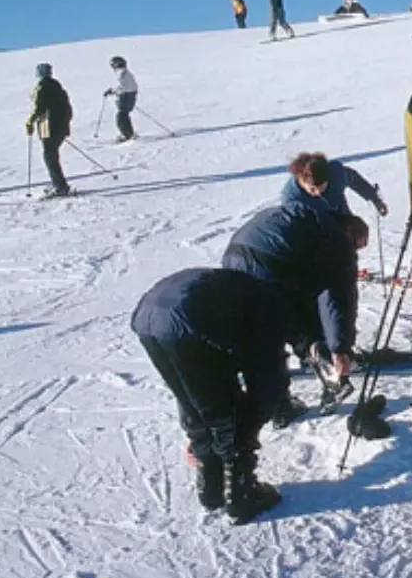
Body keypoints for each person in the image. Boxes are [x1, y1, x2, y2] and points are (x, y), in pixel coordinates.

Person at [131, 268, 288, 522]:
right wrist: (254, 423)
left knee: (192, 398)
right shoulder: (270, 311)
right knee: (226, 409)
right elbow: (267, 379)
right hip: (187, 317)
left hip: (146, 318)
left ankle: (211, 487)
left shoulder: (246, 291)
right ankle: (241, 494)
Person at [221, 203, 367, 420]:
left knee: (262, 334)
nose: (354, 252)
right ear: (349, 233)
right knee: (291, 321)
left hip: (233, 260)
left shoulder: (308, 214)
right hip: (271, 265)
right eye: (356, 246)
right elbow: (339, 297)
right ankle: (327, 370)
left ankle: (279, 404)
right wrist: (341, 346)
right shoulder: (337, 238)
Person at [282, 151, 389, 217]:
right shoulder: (291, 199)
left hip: (342, 220)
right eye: (312, 189)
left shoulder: (337, 174)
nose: (318, 192)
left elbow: (355, 180)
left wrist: (375, 199)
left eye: (322, 187)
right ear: (301, 179)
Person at [24, 63, 73, 198]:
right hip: (60, 126)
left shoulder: (42, 88)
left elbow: (40, 107)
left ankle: (60, 187)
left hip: (49, 127)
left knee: (50, 156)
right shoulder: (57, 87)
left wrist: (30, 121)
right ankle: (58, 184)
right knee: (51, 155)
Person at [103, 56, 138, 142]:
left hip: (126, 96)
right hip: (129, 95)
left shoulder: (122, 74)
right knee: (124, 115)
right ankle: (129, 133)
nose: (113, 68)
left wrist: (112, 91)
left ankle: (127, 135)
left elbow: (123, 88)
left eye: (113, 65)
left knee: (121, 117)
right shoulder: (126, 73)